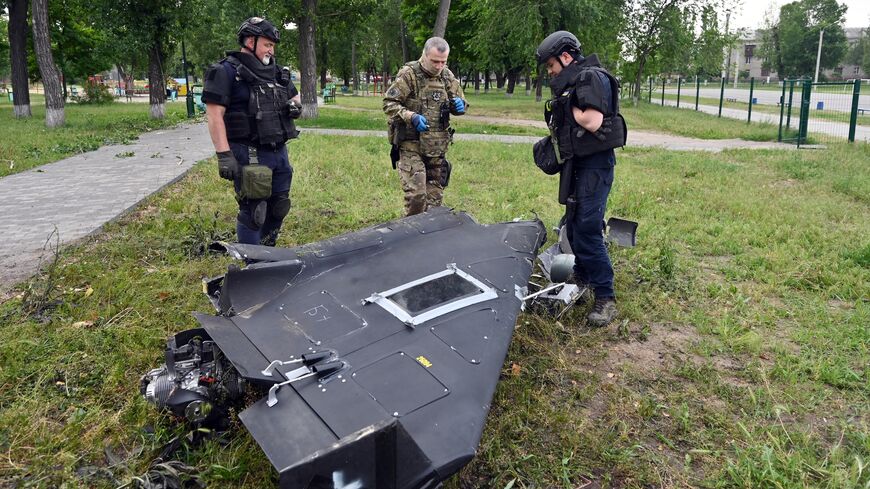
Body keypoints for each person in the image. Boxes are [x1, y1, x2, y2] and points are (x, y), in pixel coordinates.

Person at [535, 31, 627, 327]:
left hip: (595, 167)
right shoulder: (575, 82)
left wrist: (567, 105)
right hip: (578, 165)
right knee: (572, 226)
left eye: (551, 65)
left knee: (587, 228)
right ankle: (583, 276)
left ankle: (606, 297)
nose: (550, 72)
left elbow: (592, 120)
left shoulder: (590, 78)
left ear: (565, 57)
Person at [202, 17, 301, 246]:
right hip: (248, 151)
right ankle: (253, 263)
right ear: (249, 41)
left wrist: (295, 107)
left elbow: (295, 99)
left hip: (278, 150)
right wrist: (224, 155)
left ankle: (268, 251)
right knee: (255, 210)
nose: (271, 50)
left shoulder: (277, 72)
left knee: (279, 206)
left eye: (273, 45)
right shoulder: (225, 72)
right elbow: (214, 116)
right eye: (267, 44)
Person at [383, 37, 468, 216]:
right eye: (435, 61)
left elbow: (461, 101)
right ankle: (410, 235)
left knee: (435, 199)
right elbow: (389, 104)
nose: (439, 66)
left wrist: (460, 105)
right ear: (424, 55)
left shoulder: (446, 76)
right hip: (411, 144)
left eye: (443, 62)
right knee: (416, 195)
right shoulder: (409, 74)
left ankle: (430, 237)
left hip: (437, 146)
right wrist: (411, 116)